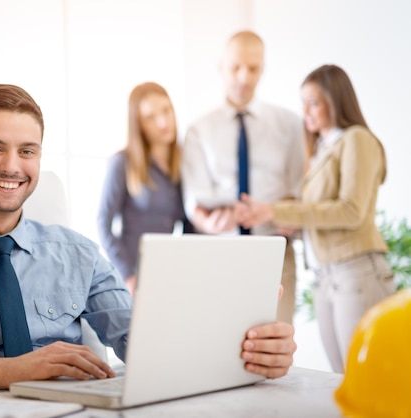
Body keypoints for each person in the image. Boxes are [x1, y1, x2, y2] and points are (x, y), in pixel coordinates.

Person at [0, 83, 296, 399]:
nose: (12, 165)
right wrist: (14, 370)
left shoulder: (78, 254)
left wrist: (244, 349)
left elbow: (146, 341)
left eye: (27, 151)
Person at [235, 64, 396, 373]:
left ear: (335, 102)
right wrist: (293, 220)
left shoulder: (356, 139)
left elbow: (351, 210)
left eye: (314, 102)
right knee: (340, 375)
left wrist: (275, 210)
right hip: (326, 275)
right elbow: (321, 210)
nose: (305, 112)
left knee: (363, 374)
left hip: (356, 271)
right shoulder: (322, 147)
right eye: (303, 102)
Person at [181, 30, 304, 324]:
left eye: (253, 68)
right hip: (220, 253)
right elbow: (193, 199)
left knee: (274, 346)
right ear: (221, 67)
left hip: (275, 253)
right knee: (219, 343)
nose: (244, 78)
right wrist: (206, 221)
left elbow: (301, 191)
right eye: (236, 67)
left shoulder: (290, 126)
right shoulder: (200, 129)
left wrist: (286, 215)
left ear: (263, 69)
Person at [97, 82, 194, 296]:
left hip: (169, 272)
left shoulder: (184, 162)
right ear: (139, 124)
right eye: (150, 117)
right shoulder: (123, 163)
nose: (162, 122)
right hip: (133, 277)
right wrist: (128, 275)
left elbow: (190, 222)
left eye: (166, 111)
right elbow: (103, 223)